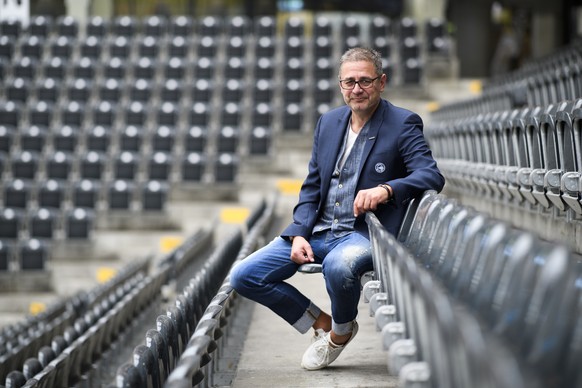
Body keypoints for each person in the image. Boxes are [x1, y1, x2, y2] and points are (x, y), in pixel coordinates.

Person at [230, 47, 444, 370]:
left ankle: (341, 332)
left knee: (338, 265)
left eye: (365, 81)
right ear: (340, 85)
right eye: (349, 82)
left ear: (382, 82)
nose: (357, 89)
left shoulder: (403, 123)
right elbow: (312, 186)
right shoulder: (328, 123)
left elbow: (431, 175)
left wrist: (387, 190)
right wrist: (299, 233)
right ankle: (321, 321)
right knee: (244, 275)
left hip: (362, 234)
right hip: (318, 230)